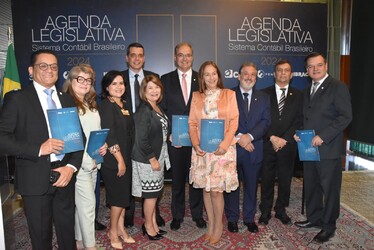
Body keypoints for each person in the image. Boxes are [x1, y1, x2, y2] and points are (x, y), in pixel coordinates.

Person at [0, 49, 84, 249]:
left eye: (54, 66)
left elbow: (79, 138)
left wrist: (71, 167)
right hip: (34, 179)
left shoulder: (66, 99)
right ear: (31, 70)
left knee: (67, 234)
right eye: (43, 66)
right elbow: (2, 139)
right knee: (40, 237)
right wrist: (39, 148)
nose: (49, 70)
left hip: (64, 177)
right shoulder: (17, 99)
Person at [294, 52, 352, 243]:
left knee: (330, 190)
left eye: (318, 65)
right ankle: (314, 218)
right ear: (307, 70)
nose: (315, 69)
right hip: (309, 148)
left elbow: (345, 117)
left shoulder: (338, 87)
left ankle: (329, 226)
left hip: (328, 149)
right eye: (310, 66)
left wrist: (323, 136)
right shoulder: (308, 88)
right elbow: (307, 117)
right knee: (312, 187)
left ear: (326, 66)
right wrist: (299, 133)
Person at [189, 61, 239, 245]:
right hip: (202, 151)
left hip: (222, 152)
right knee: (207, 189)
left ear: (218, 75)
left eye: (213, 73)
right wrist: (195, 144)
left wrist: (225, 144)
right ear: (202, 78)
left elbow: (234, 122)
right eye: (206, 74)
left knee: (217, 191)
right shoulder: (196, 96)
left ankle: (218, 226)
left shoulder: (229, 94)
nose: (211, 77)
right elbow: (192, 123)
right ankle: (210, 225)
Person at [160, 42, 206, 231]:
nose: (185, 59)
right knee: (178, 179)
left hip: (198, 140)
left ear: (193, 57)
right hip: (176, 140)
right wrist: (170, 133)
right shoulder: (165, 79)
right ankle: (177, 215)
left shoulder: (201, 79)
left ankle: (197, 214)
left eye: (188, 55)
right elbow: (162, 110)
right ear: (174, 57)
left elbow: (208, 109)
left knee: (196, 179)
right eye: (181, 55)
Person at [62, 64, 107, 249]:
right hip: (78, 164)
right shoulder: (66, 104)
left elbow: (93, 132)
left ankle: (79, 242)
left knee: (82, 206)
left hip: (94, 161)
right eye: (79, 79)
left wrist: (102, 146)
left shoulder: (90, 103)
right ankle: (91, 246)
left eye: (88, 80)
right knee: (88, 208)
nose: (84, 83)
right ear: (71, 80)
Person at [224, 62, 271, 234]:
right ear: (238, 76)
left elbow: (265, 122)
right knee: (232, 187)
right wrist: (239, 138)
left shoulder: (264, 97)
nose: (249, 77)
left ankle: (249, 218)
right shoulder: (228, 95)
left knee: (251, 186)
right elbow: (225, 120)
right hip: (233, 148)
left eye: (253, 74)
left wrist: (249, 137)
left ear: (256, 78)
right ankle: (232, 218)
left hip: (254, 148)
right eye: (246, 73)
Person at [121, 42, 165, 227]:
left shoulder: (152, 79)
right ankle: (130, 214)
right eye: (133, 55)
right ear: (127, 58)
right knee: (130, 177)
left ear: (144, 58)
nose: (137, 58)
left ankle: (152, 218)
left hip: (148, 135)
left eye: (140, 55)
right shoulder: (118, 79)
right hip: (125, 134)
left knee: (151, 186)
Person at [259, 60, 303, 225]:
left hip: (287, 145)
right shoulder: (263, 94)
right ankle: (265, 210)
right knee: (267, 179)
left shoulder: (299, 95)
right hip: (268, 143)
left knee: (285, 180)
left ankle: (280, 210)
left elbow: (299, 121)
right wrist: (272, 137)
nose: (283, 73)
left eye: (286, 71)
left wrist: (284, 139)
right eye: (279, 70)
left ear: (291, 75)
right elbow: (261, 119)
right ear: (274, 73)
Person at [98, 70, 136, 249]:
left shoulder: (123, 104)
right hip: (114, 161)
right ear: (107, 87)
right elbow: (109, 136)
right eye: (114, 84)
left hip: (126, 158)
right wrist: (120, 160)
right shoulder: (106, 105)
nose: (119, 87)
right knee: (118, 199)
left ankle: (121, 229)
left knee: (123, 198)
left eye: (121, 83)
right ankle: (113, 232)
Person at [132, 75, 170, 240]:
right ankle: (148, 226)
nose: (154, 91)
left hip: (158, 156)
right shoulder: (144, 110)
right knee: (150, 195)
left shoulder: (157, 106)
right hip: (147, 159)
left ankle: (153, 223)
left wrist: (168, 137)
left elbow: (159, 131)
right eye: (150, 88)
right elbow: (141, 139)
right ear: (144, 91)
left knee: (154, 194)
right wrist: (152, 159)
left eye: (157, 87)